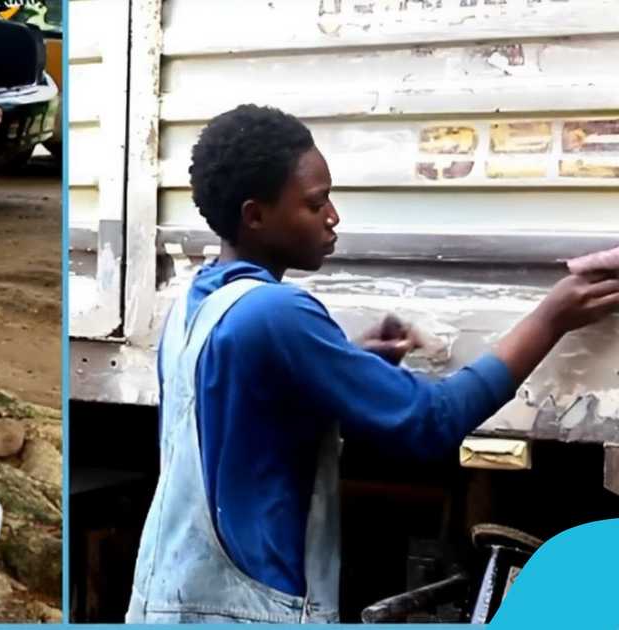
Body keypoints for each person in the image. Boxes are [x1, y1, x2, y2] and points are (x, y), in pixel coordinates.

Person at [125, 104, 619, 624]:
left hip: (167, 600)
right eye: (315, 204)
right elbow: (432, 422)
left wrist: (347, 363)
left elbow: (242, 408)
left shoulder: (196, 301)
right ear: (255, 215)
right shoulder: (276, 312)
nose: (333, 215)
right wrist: (551, 318)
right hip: (245, 613)